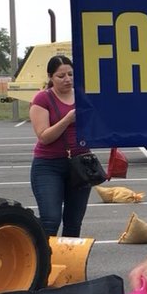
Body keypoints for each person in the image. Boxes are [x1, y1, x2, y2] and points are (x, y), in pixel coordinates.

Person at [29, 55, 91, 237]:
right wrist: (67, 119)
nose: (67, 79)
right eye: (61, 76)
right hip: (49, 165)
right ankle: (41, 262)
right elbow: (44, 137)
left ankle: (67, 263)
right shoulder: (42, 99)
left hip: (80, 165)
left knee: (74, 222)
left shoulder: (83, 95)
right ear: (50, 77)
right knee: (50, 219)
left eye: (71, 74)